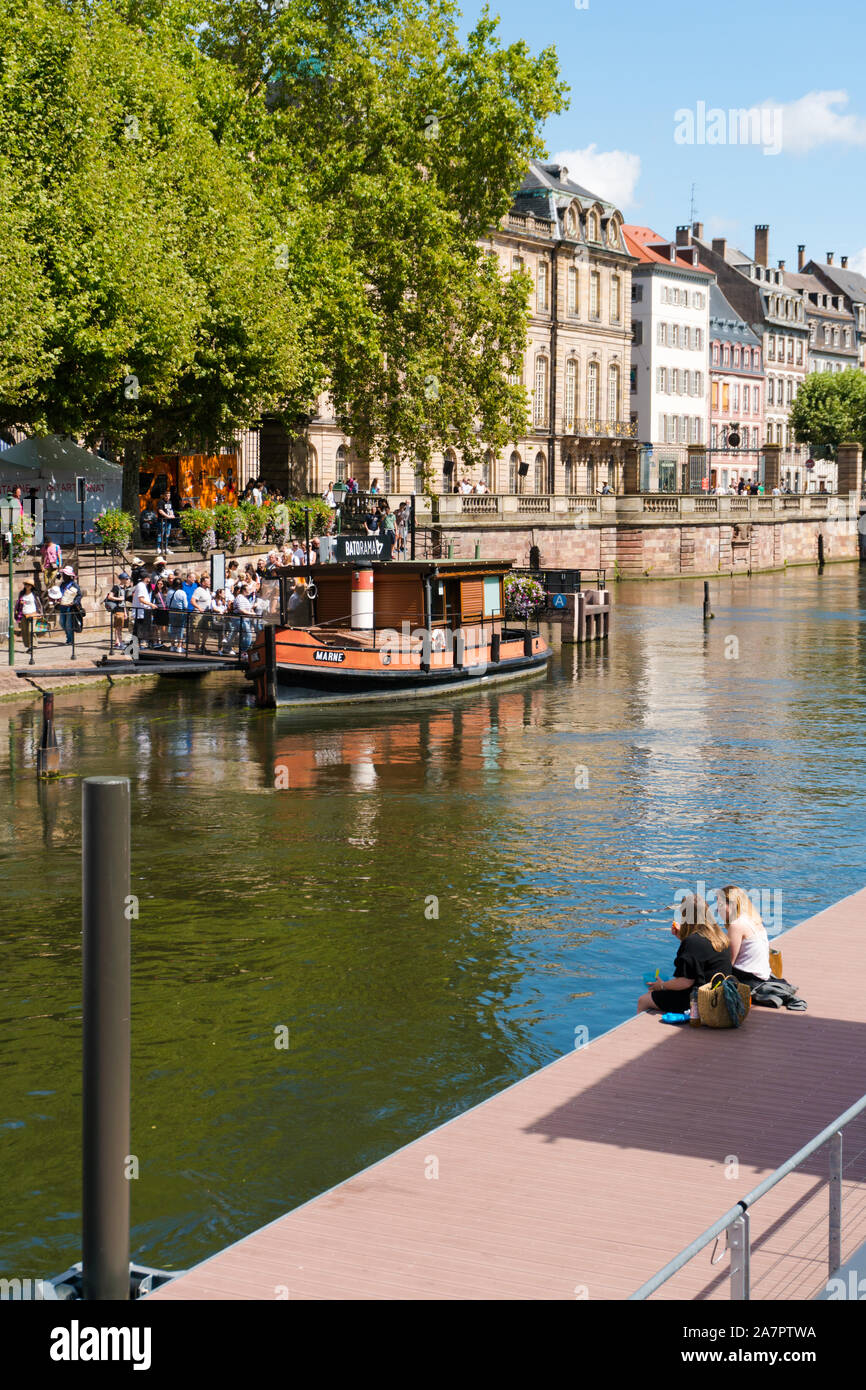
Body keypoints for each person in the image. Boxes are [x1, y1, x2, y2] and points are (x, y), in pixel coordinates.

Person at [637, 892, 732, 1014]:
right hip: (719, 996)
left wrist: (661, 986)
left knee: (644, 1000)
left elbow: (685, 982)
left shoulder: (692, 941)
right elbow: (698, 959)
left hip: (699, 1000)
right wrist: (683, 939)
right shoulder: (720, 937)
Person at [715, 885, 771, 986]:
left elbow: (729, 962)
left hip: (749, 979)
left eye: (720, 904)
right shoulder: (753, 919)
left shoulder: (736, 925)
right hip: (762, 975)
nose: (717, 910)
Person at [104, 570, 131, 650]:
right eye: (126, 579)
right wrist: (119, 598)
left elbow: (124, 602)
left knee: (120, 627)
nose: (128, 580)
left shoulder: (125, 588)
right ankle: (119, 643)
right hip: (117, 609)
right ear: (122, 579)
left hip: (122, 610)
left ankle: (117, 642)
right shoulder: (116, 587)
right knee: (118, 627)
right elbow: (110, 596)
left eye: (128, 579)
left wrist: (125, 612)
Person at [57, 566, 83, 645]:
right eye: (63, 574)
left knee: (68, 624)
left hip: (70, 607)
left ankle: (70, 640)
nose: (63, 576)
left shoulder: (74, 585)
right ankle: (69, 637)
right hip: (63, 606)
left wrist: (74, 602)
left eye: (65, 575)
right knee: (62, 622)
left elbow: (79, 595)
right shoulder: (62, 584)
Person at [15, 580, 42, 650]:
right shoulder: (22, 593)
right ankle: (28, 646)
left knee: (31, 630)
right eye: (26, 584)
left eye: (29, 584)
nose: (27, 586)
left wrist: (40, 613)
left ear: (32, 586)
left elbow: (39, 604)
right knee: (24, 631)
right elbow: (18, 603)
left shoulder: (34, 594)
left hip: (33, 614)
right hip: (23, 614)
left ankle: (34, 645)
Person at [190, 575, 212, 652]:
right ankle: (197, 647)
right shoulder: (198, 590)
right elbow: (192, 601)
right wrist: (199, 608)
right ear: (203, 583)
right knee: (197, 630)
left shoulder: (207, 590)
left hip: (207, 613)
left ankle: (203, 646)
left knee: (207, 630)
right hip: (199, 614)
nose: (210, 583)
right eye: (208, 582)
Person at [167, 576, 189, 652]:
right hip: (180, 612)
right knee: (180, 629)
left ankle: (172, 646)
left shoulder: (169, 592)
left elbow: (167, 603)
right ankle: (179, 647)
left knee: (172, 629)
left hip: (171, 612)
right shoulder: (182, 593)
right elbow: (186, 605)